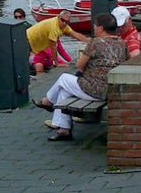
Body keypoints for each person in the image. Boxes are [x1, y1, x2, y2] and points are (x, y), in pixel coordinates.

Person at [32, 13, 127, 141]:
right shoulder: (122, 43)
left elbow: (79, 65)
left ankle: (48, 101)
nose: (94, 29)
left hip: (96, 90)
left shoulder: (95, 43)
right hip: (111, 88)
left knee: (64, 79)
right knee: (64, 90)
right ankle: (63, 129)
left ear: (101, 28)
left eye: (95, 26)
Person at [25, 10, 89, 75]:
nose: (64, 23)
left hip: (35, 48)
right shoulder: (54, 28)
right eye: (62, 20)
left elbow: (75, 35)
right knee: (31, 65)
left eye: (67, 22)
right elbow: (53, 47)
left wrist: (89, 41)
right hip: (26, 40)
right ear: (58, 17)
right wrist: (57, 63)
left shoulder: (63, 27)